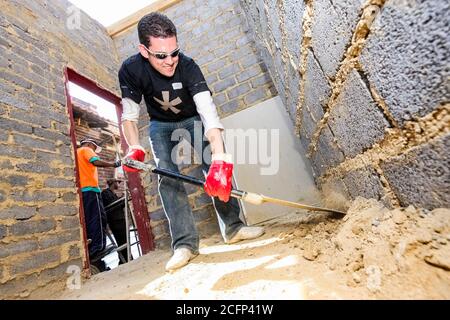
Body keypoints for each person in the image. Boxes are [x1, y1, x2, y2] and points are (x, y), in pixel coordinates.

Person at [118, 12, 265, 272]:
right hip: (160, 124)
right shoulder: (130, 70)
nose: (170, 61)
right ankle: (185, 245)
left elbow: (208, 112)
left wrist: (220, 158)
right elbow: (129, 115)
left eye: (174, 52)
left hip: (192, 117)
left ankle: (234, 228)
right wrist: (134, 147)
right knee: (168, 176)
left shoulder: (188, 66)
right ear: (144, 50)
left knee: (215, 163)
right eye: (161, 56)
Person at [77, 138, 121, 271]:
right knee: (98, 219)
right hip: (90, 189)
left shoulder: (77, 153)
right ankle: (97, 248)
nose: (95, 151)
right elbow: (95, 161)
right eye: (95, 149)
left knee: (91, 220)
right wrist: (113, 164)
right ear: (91, 144)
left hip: (83, 191)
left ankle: (94, 253)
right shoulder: (86, 149)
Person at [101, 178, 130, 263]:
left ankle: (127, 259)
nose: (119, 184)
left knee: (125, 239)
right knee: (121, 241)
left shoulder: (113, 194)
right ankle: (124, 260)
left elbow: (119, 205)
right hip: (115, 221)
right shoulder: (105, 193)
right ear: (113, 183)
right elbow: (114, 205)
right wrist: (122, 198)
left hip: (120, 219)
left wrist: (123, 198)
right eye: (118, 182)